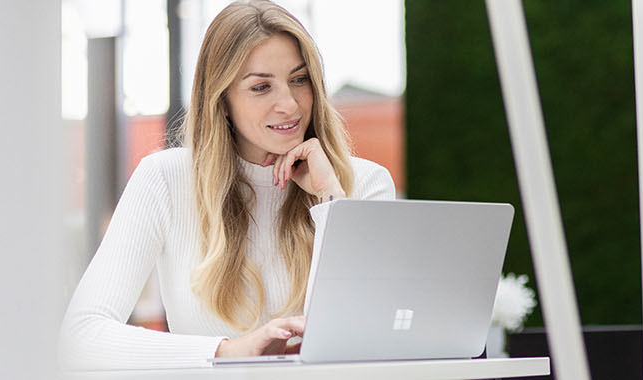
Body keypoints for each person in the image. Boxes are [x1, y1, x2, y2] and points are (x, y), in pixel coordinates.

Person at [60, 0, 395, 369]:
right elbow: (81, 338)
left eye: (299, 80)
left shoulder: (364, 183)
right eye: (261, 87)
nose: (290, 105)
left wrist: (332, 202)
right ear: (222, 101)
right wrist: (227, 351)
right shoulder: (166, 179)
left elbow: (380, 335)